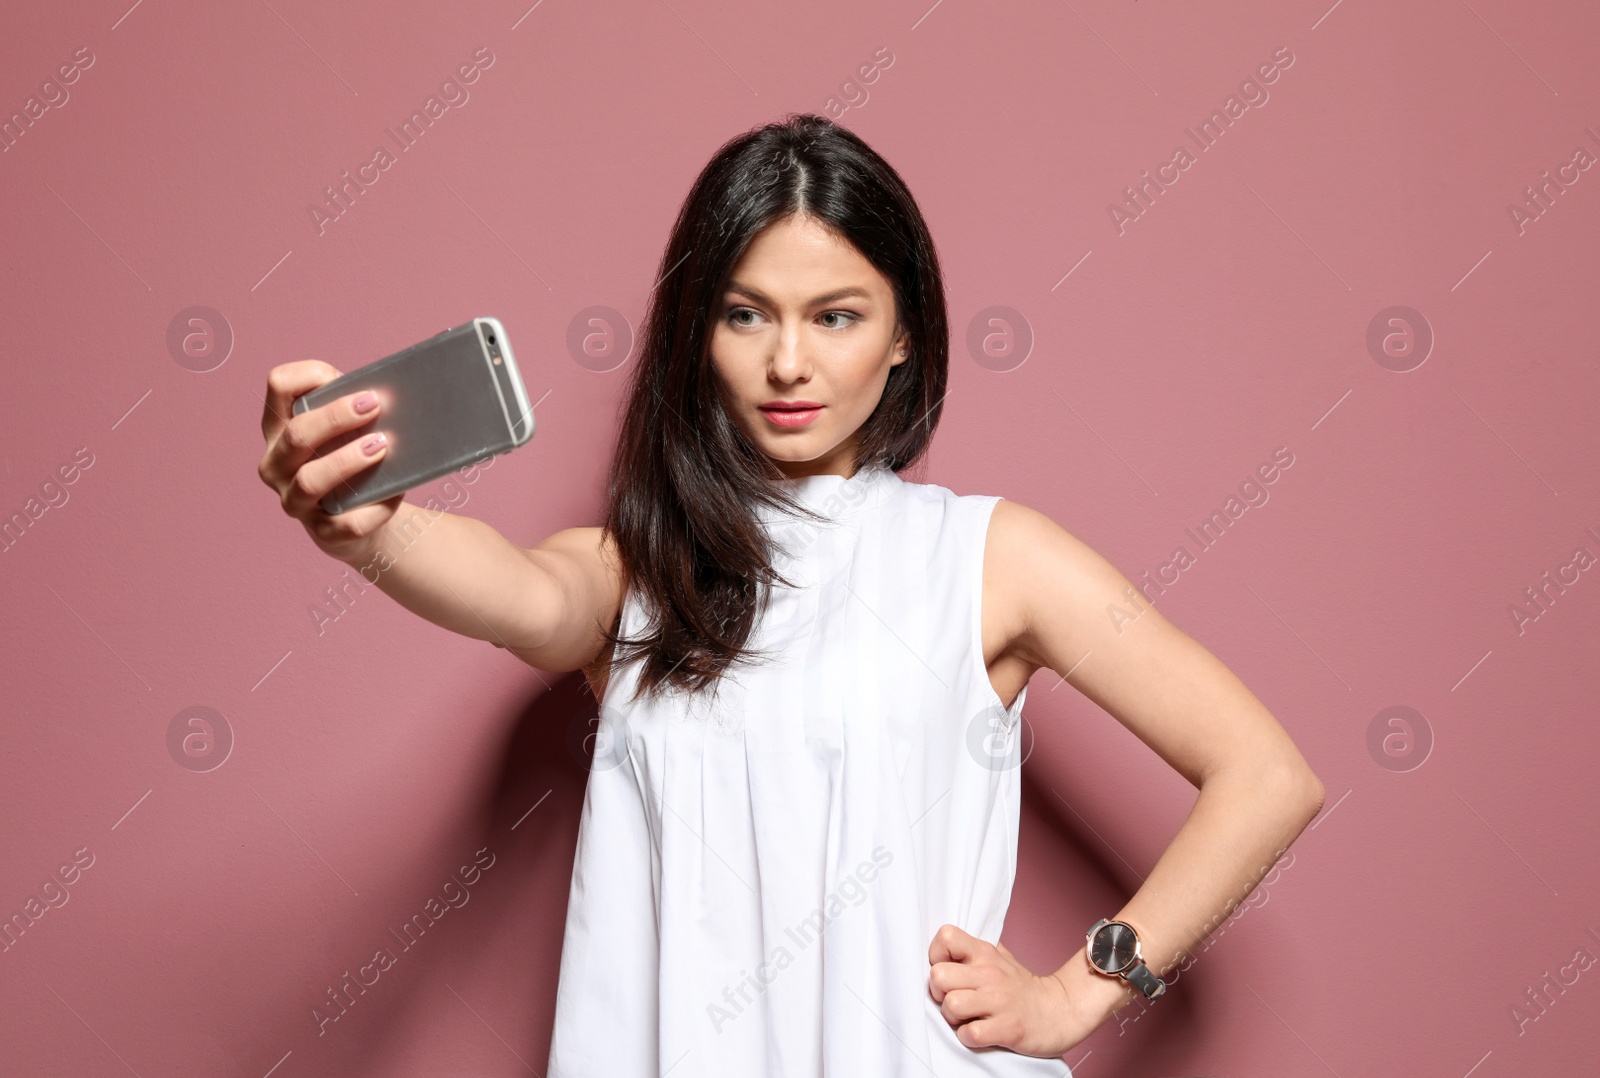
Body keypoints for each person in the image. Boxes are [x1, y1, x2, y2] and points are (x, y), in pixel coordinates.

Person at [257, 113, 1324, 1076]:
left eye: (835, 316)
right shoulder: (639, 568)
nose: (786, 362)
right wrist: (371, 534)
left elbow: (1266, 775)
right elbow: (520, 592)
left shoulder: (990, 556)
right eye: (745, 314)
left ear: (904, 335)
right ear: (698, 333)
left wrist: (1077, 992)